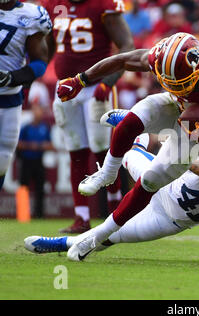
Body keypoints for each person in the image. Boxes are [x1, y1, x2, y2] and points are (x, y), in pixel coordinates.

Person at [55, 32, 199, 256]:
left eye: (182, 83)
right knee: (133, 119)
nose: (176, 86)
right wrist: (80, 80)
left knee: (149, 180)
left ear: (198, 70)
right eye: (170, 82)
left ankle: (95, 238)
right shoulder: (162, 55)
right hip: (177, 106)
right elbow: (122, 60)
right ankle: (108, 172)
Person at [24, 132, 199, 267]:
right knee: (128, 156)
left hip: (170, 220)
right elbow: (194, 163)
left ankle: (59, 244)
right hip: (162, 184)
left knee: (108, 238)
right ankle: (133, 132)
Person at [41, 0, 135, 234]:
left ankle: (116, 214)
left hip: (95, 87)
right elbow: (49, 47)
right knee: (76, 151)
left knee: (105, 151)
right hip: (65, 87)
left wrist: (109, 81)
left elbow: (126, 46)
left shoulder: (103, 4)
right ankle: (81, 217)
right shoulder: (52, 4)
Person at [0, 0, 51, 191]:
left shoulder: (30, 15)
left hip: (10, 99)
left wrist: (11, 78)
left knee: (2, 162)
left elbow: (40, 62)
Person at [17, 101, 54, 218]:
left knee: (40, 188)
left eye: (39, 111)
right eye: (35, 110)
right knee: (24, 187)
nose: (37, 113)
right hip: (26, 161)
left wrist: (39, 146)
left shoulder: (45, 128)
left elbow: (51, 145)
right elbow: (18, 144)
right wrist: (30, 146)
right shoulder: (26, 128)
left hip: (39, 161)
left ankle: (39, 214)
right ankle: (23, 215)